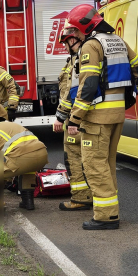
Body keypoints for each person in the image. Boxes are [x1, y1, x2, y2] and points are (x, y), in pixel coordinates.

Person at [60, 5, 138, 230]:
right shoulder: (117, 41)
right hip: (117, 115)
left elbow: (88, 86)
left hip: (97, 118)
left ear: (84, 27)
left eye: (75, 30)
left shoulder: (91, 45)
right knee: (106, 164)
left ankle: (106, 217)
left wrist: (76, 119)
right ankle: (110, 211)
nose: (75, 35)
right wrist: (128, 98)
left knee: (94, 165)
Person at [0, 108, 48, 210]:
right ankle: (28, 201)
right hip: (42, 156)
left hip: (19, 158)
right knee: (27, 169)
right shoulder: (12, 124)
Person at [53, 30, 92, 211]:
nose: (64, 46)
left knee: (75, 158)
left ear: (73, 39)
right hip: (76, 116)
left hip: (75, 117)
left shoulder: (79, 60)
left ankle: (81, 198)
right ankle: (86, 196)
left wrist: (61, 117)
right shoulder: (73, 60)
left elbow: (72, 93)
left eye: (65, 42)